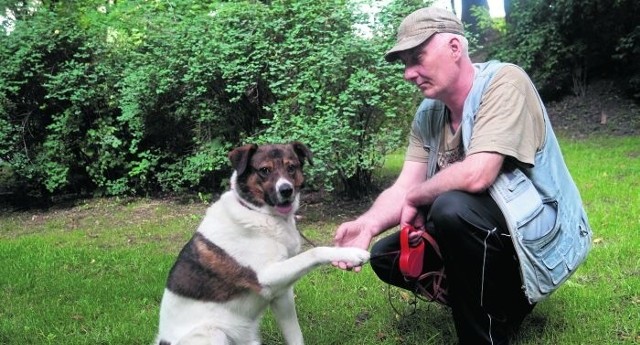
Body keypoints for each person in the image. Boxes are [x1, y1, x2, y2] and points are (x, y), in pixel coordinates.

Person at [333, 7, 592, 345]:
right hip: (490, 231)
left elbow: (477, 174)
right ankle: (502, 306)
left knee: (450, 208)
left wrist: (416, 198)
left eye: (417, 58)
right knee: (388, 256)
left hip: (543, 236)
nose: (409, 73)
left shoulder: (505, 82)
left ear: (454, 48)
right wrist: (367, 224)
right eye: (404, 64)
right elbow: (404, 188)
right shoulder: (428, 114)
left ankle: (484, 332)